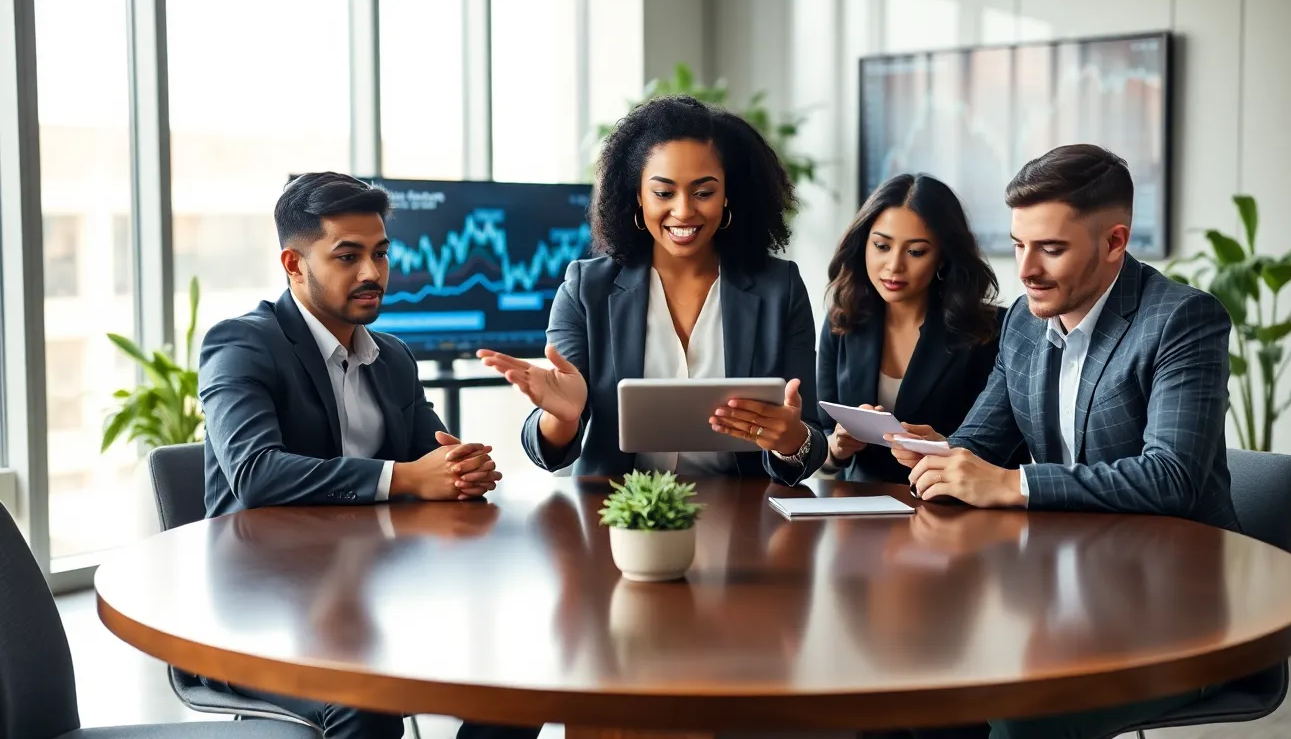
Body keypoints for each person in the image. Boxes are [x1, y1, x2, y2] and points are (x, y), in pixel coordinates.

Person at [889, 144, 1239, 739]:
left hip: (1176, 612)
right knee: (916, 677)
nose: (1026, 270)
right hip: (1061, 590)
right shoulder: (1024, 322)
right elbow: (981, 443)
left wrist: (1011, 483)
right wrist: (939, 454)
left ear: (1114, 242)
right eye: (1018, 244)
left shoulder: (1182, 320)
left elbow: (1172, 478)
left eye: (1051, 249)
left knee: (1020, 715)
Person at [197, 172, 538, 739]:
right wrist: (405, 477)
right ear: (294, 264)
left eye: (380, 253)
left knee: (520, 678)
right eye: (348, 256)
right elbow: (256, 474)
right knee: (366, 703)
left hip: (378, 592)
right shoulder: (241, 344)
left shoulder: (393, 357)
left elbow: (435, 460)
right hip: (261, 610)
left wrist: (462, 469)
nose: (372, 274)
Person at [478, 95, 828, 483]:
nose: (684, 210)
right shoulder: (586, 289)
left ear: (728, 195)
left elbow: (811, 441)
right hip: (621, 508)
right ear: (638, 196)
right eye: (664, 193)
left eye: (703, 192)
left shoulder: (780, 288)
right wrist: (562, 417)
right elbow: (547, 453)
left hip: (744, 507)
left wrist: (790, 440)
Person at [817, 173, 1027, 483]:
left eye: (915, 252)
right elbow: (821, 434)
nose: (894, 266)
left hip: (950, 504)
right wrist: (836, 447)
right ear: (864, 245)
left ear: (942, 257)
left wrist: (946, 448)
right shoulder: (844, 318)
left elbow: (1008, 449)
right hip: (859, 502)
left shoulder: (991, 329)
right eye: (882, 246)